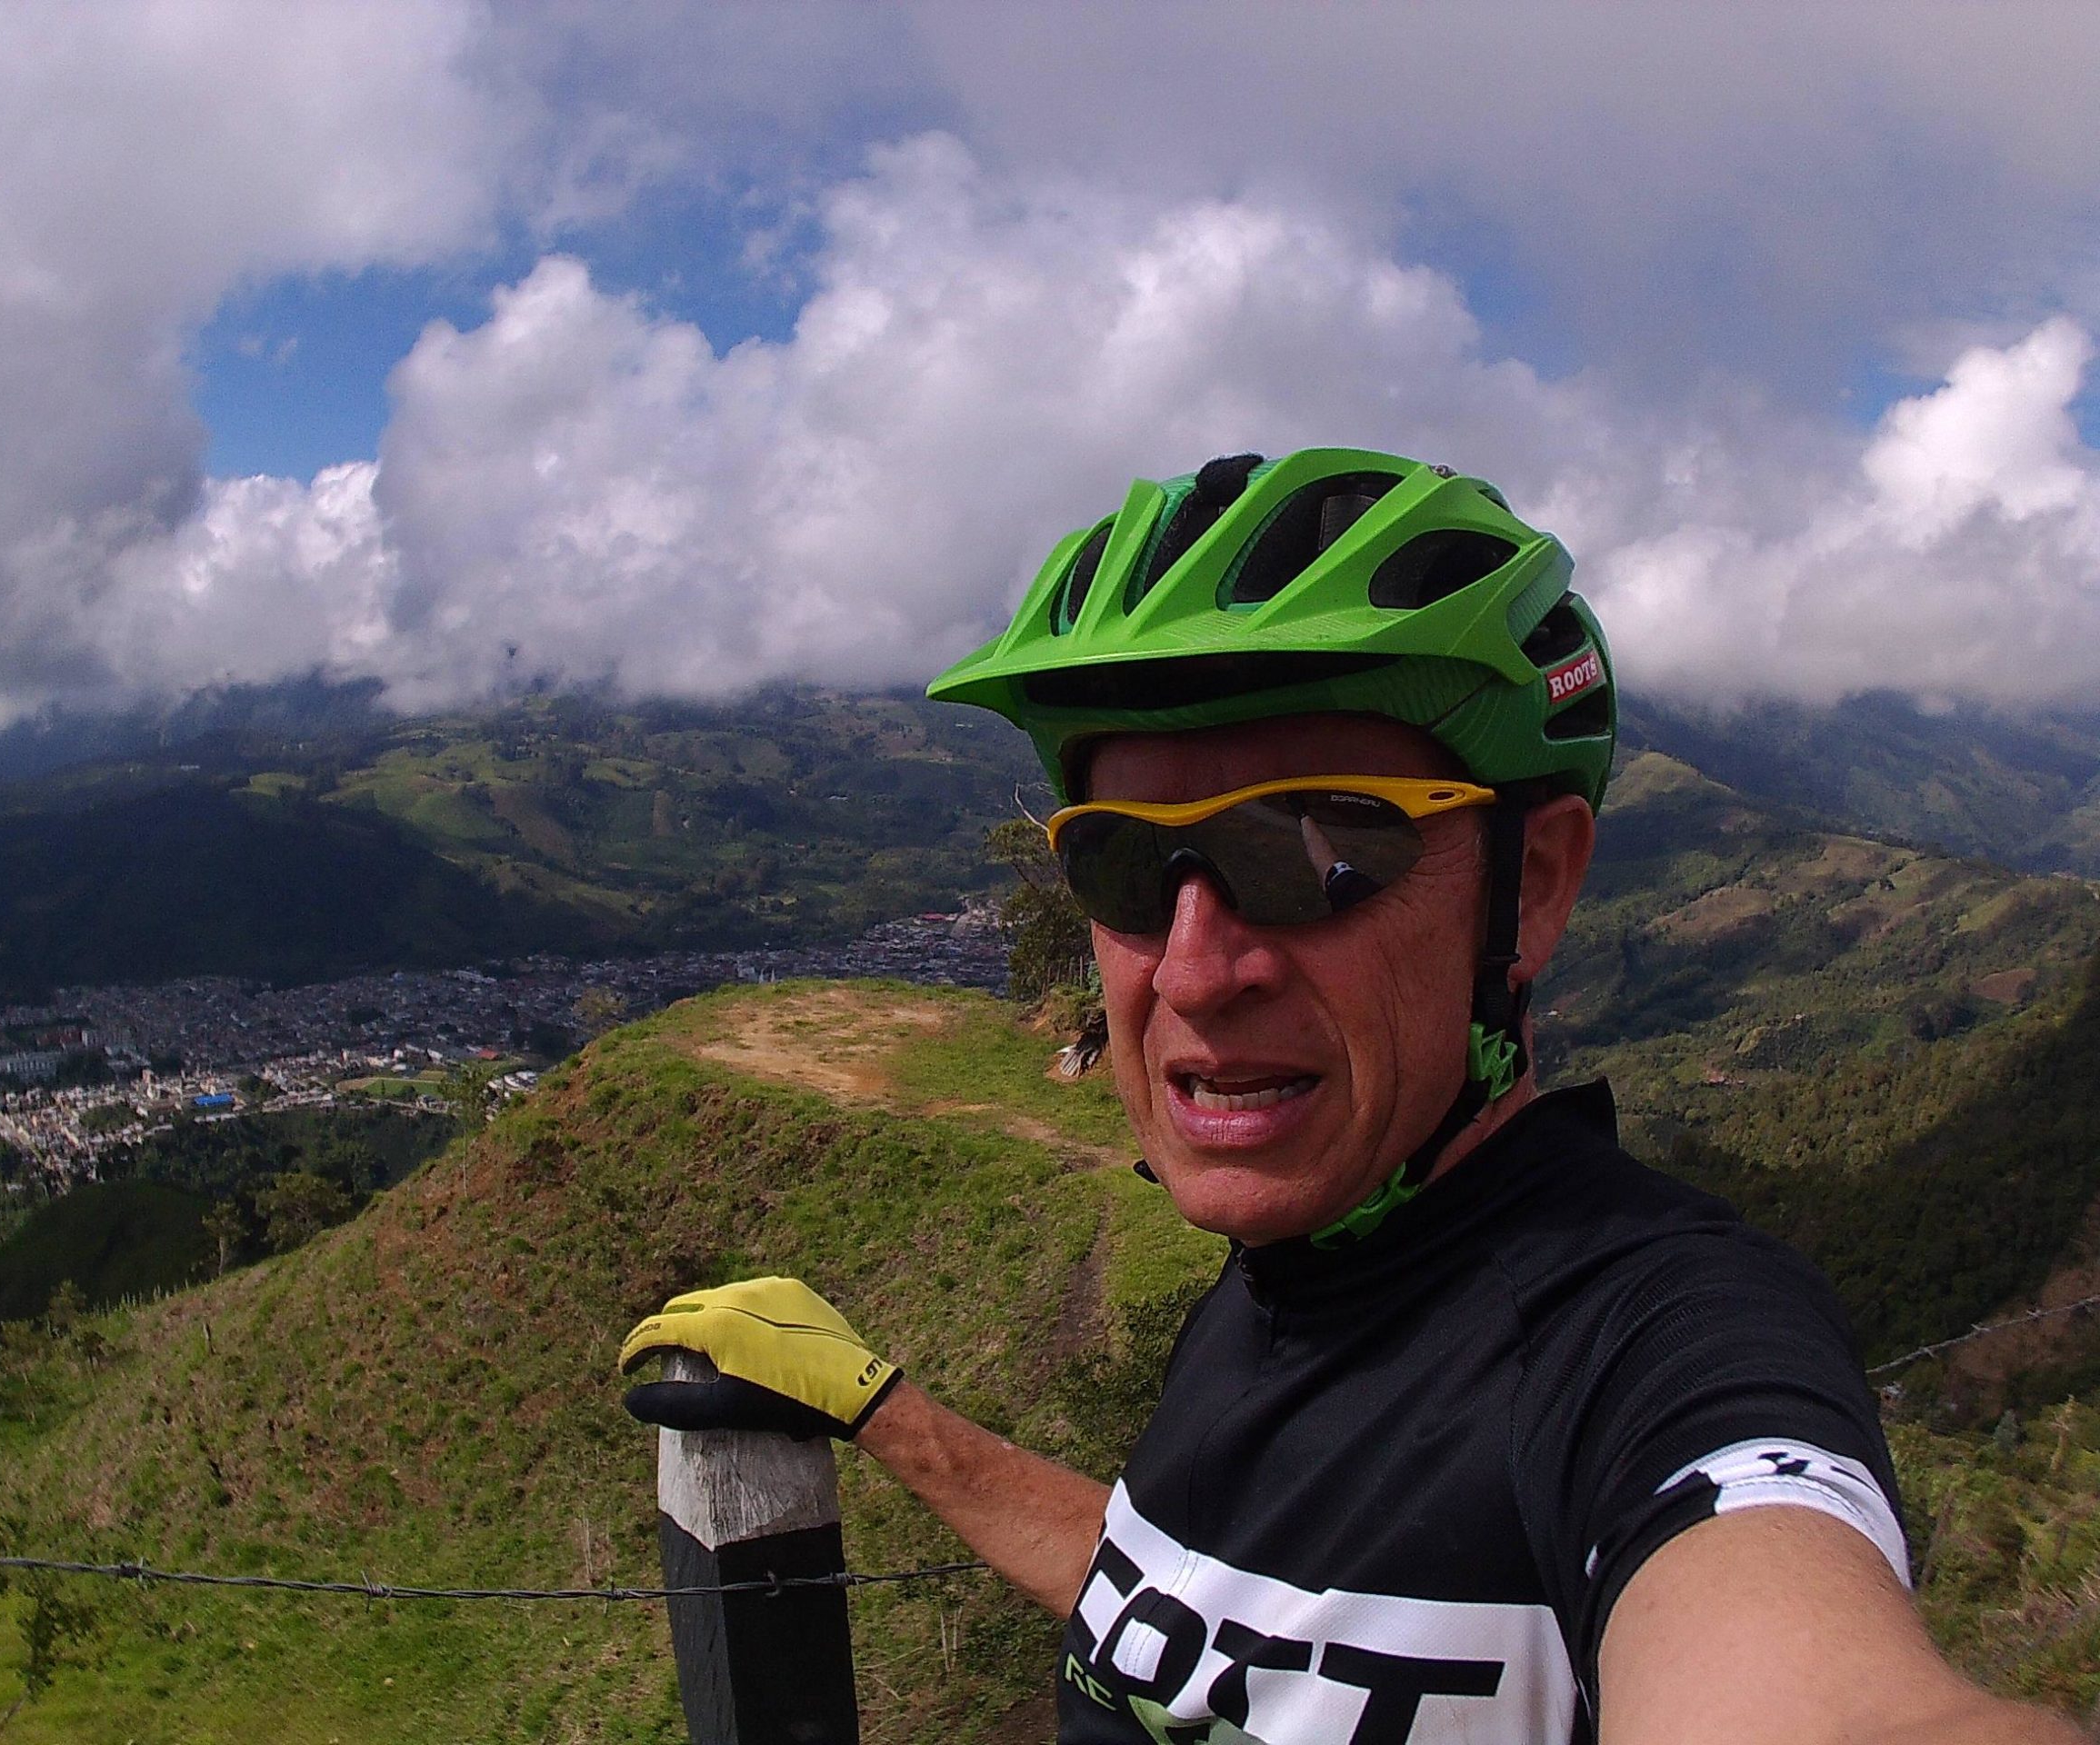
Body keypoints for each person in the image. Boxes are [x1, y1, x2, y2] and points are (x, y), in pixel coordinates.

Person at [619, 448, 2078, 1744]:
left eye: (1315, 851)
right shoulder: (1281, 1280)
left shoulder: (1655, 1337)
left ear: (1540, 884)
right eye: (1123, 865)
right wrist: (896, 1421)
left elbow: (1806, 1673)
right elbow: (1204, 1629)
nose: (1193, 969)